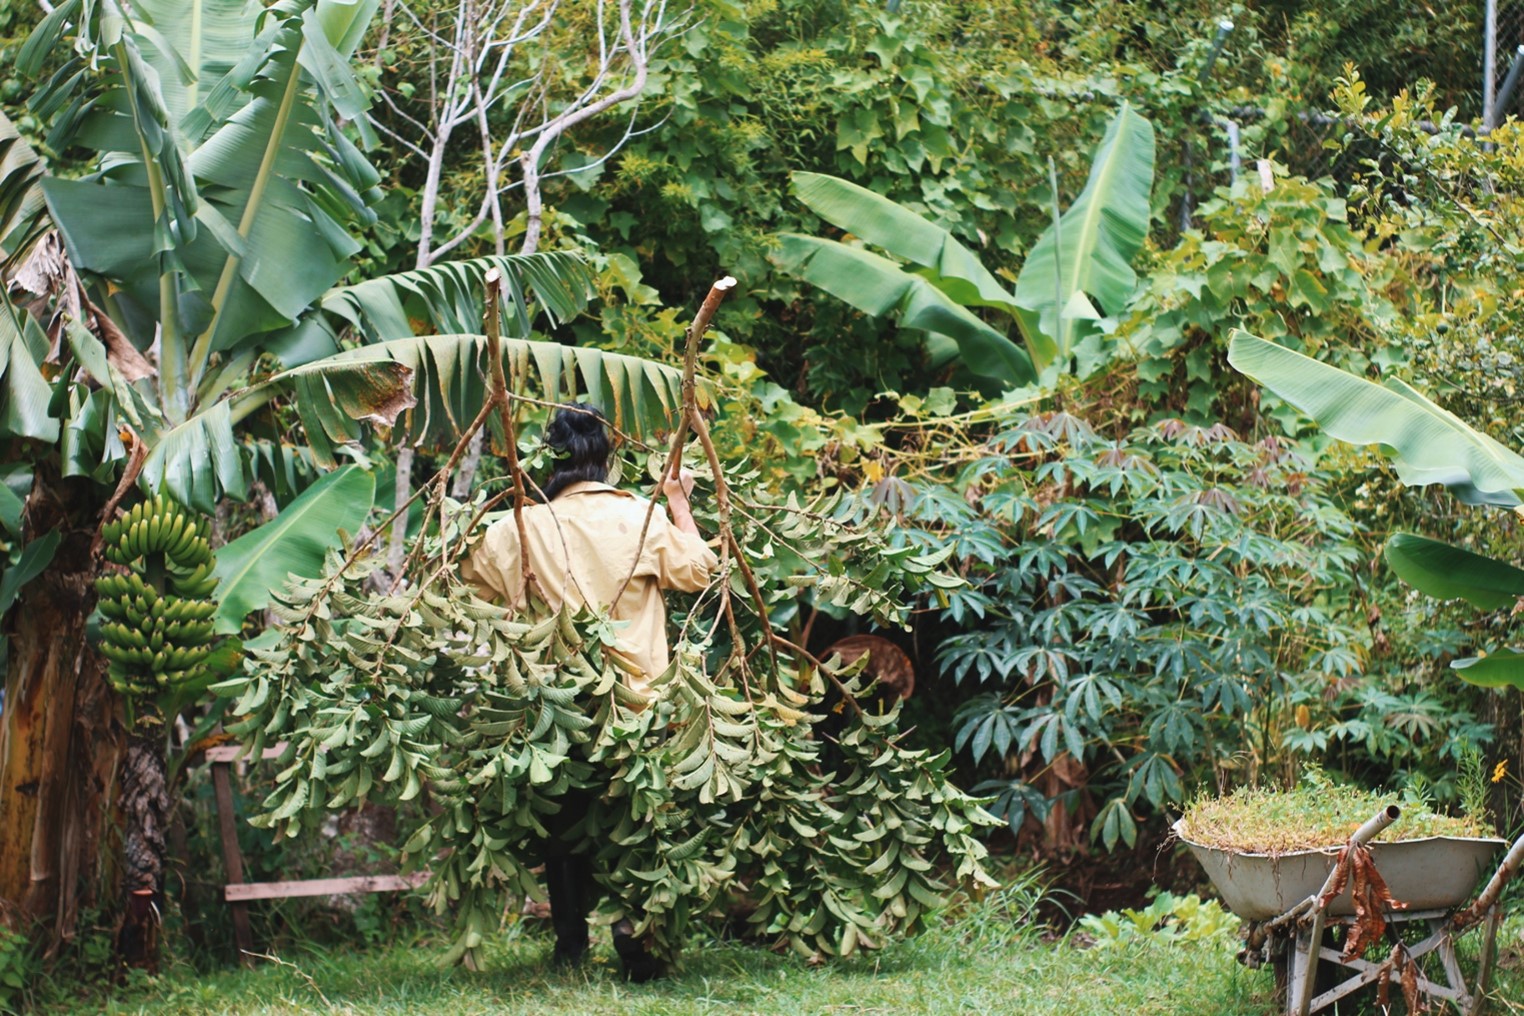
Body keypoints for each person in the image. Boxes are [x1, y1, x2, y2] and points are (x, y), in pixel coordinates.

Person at [460, 402, 718, 980]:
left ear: (548, 461)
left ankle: (570, 946)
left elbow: (467, 583)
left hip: (555, 707)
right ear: (608, 458)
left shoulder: (518, 528)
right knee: (642, 821)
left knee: (563, 827)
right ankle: (638, 941)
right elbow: (703, 570)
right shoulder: (642, 519)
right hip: (639, 706)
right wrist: (678, 498)